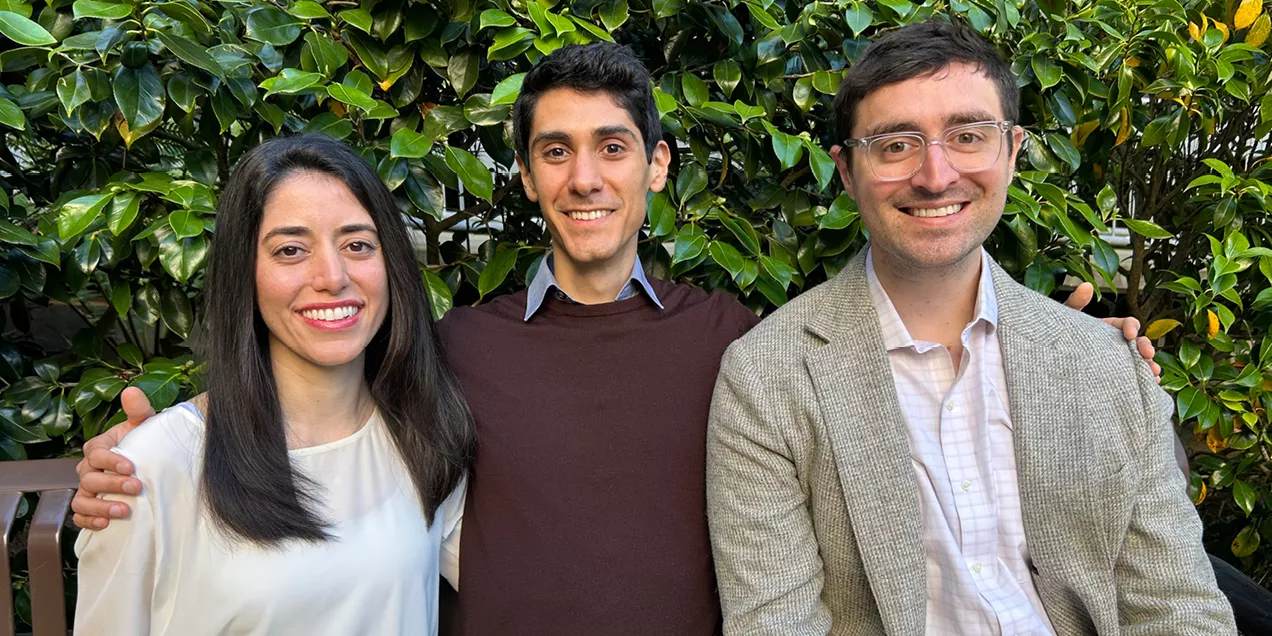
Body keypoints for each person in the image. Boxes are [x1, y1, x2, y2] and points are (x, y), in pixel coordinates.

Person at [71, 43, 1156, 635]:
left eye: (612, 147)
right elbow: (310, 383)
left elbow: (916, 368)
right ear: (530, 176)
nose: (585, 178)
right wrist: (145, 458)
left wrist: (1081, 352)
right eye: (554, 152)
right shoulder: (448, 349)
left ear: (658, 166)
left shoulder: (748, 343)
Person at [705, 19, 1235, 635]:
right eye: (895, 145)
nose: (935, 175)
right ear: (846, 172)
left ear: (1011, 151)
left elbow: (1176, 609)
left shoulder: (1103, 363)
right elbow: (777, 625)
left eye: (966, 135)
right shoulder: (768, 376)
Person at [73, 134, 475, 635]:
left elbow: (522, 585)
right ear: (246, 273)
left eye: (357, 245)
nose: (332, 276)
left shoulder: (424, 434)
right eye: (290, 250)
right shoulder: (153, 465)